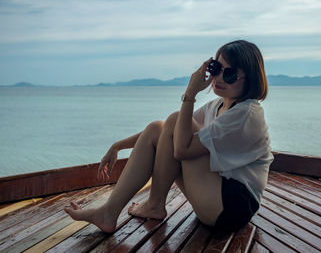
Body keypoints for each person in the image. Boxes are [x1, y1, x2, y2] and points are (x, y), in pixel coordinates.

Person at [64, 40, 274, 233]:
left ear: (250, 79)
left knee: (175, 121)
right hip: (214, 195)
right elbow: (166, 131)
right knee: (159, 126)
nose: (218, 78)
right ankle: (109, 212)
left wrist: (190, 93)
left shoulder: (245, 114)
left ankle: (154, 204)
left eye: (229, 74)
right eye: (216, 69)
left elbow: (181, 148)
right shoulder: (218, 105)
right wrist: (118, 146)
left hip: (231, 207)